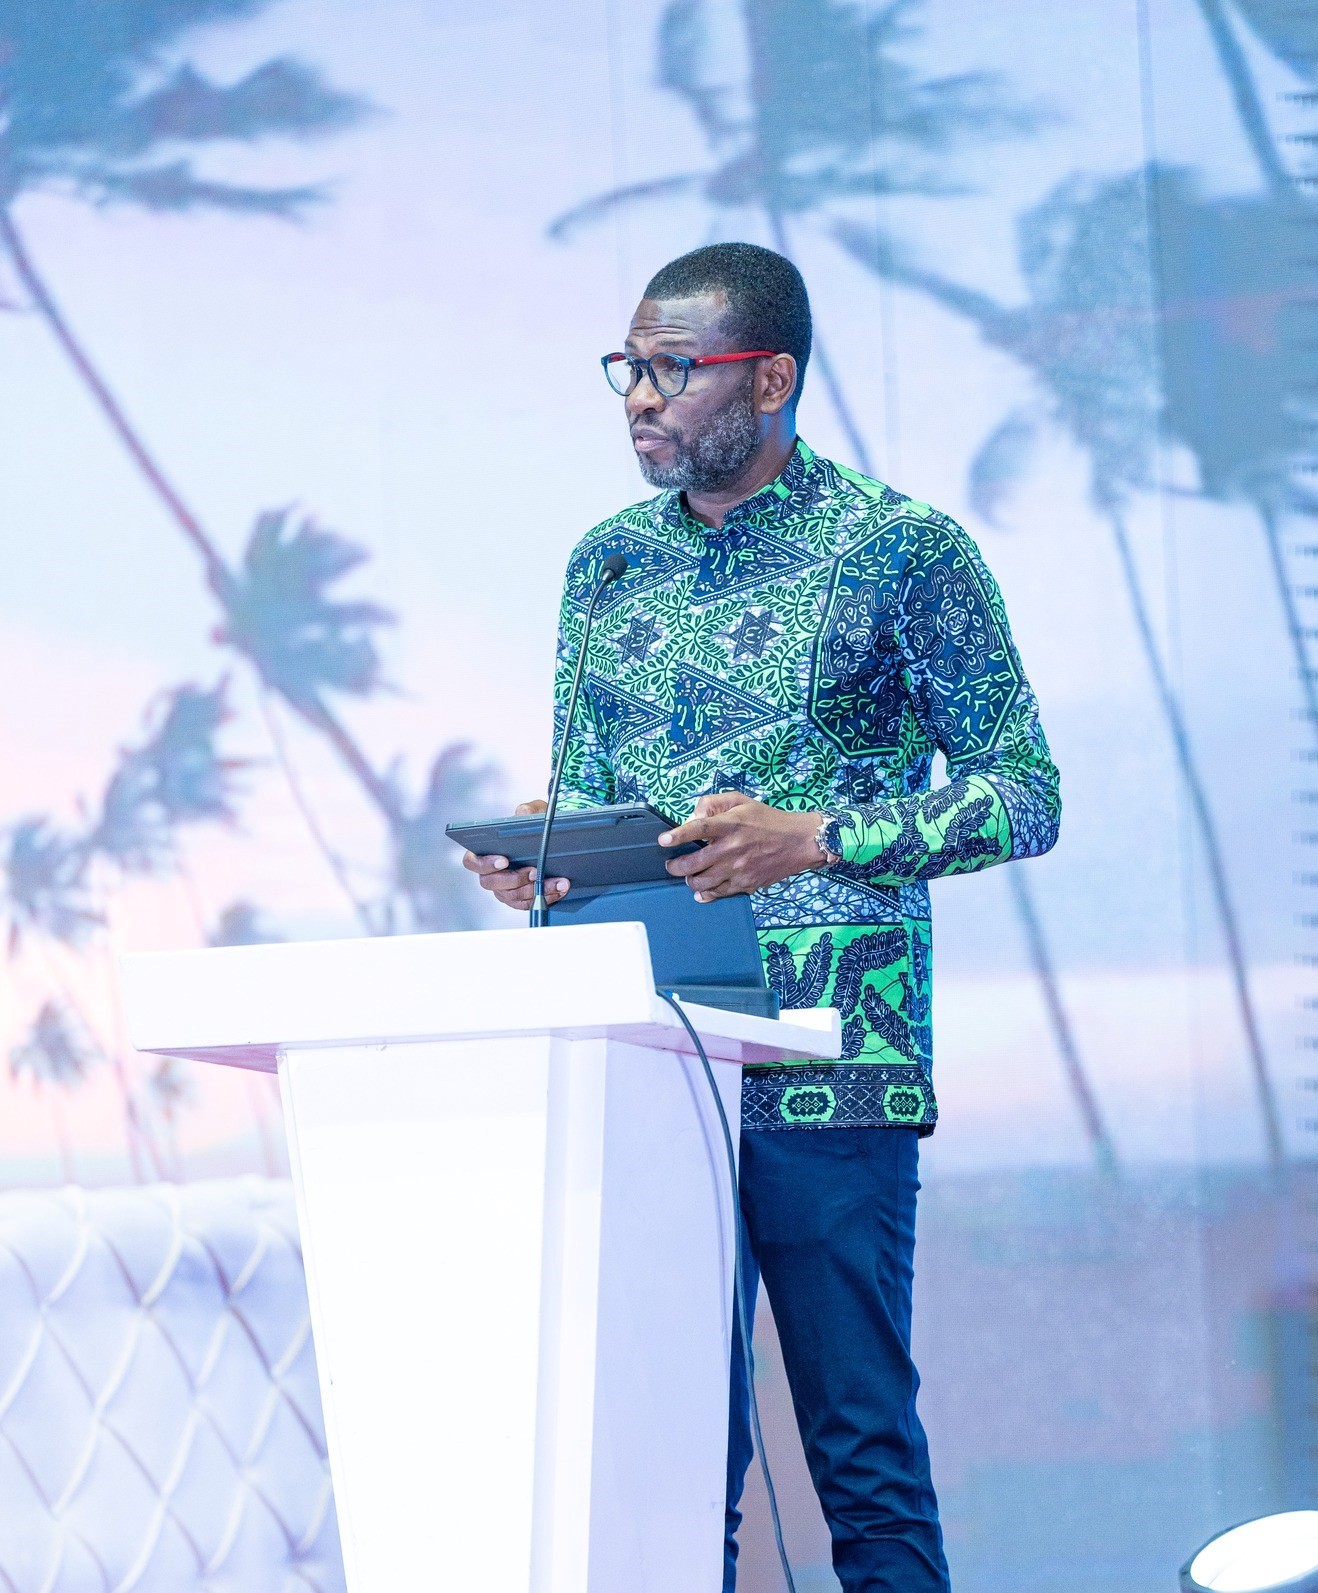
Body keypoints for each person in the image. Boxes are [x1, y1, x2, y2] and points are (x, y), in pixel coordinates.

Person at [462, 242, 1060, 1593]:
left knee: (859, 1444)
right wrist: (550, 857)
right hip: (647, 1060)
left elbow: (1024, 795)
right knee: (676, 1451)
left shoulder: (900, 551)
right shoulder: (606, 563)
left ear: (771, 378)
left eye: (673, 368)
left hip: (830, 1062)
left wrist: (816, 836)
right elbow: (598, 797)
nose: (639, 397)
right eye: (628, 368)